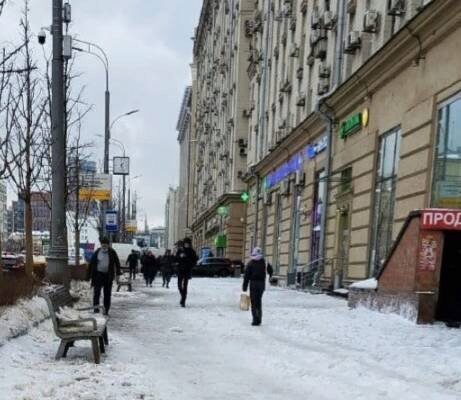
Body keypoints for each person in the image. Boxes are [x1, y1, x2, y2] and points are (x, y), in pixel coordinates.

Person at [88, 237, 121, 316]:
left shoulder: (112, 252)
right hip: (98, 275)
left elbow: (117, 263)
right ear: (101, 244)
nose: (104, 245)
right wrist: (88, 275)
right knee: (97, 293)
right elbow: (91, 263)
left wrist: (118, 274)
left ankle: (106, 310)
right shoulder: (97, 252)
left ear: (108, 245)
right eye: (103, 244)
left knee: (107, 294)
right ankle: (96, 309)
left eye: (106, 244)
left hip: (108, 276)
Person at [242, 247, 271, 326]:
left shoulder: (250, 263)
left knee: (254, 302)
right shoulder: (265, 262)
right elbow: (271, 271)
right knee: (258, 300)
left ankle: (255, 319)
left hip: (254, 284)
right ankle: (259, 318)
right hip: (262, 284)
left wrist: (244, 286)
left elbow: (246, 276)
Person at [176, 238, 198, 307]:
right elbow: (176, 258)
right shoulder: (180, 250)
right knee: (179, 285)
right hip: (180, 270)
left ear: (189, 244)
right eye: (185, 243)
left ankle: (183, 301)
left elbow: (194, 261)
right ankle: (182, 296)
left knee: (185, 286)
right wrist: (179, 256)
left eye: (188, 243)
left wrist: (186, 257)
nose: (186, 244)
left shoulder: (192, 251)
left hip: (187, 270)